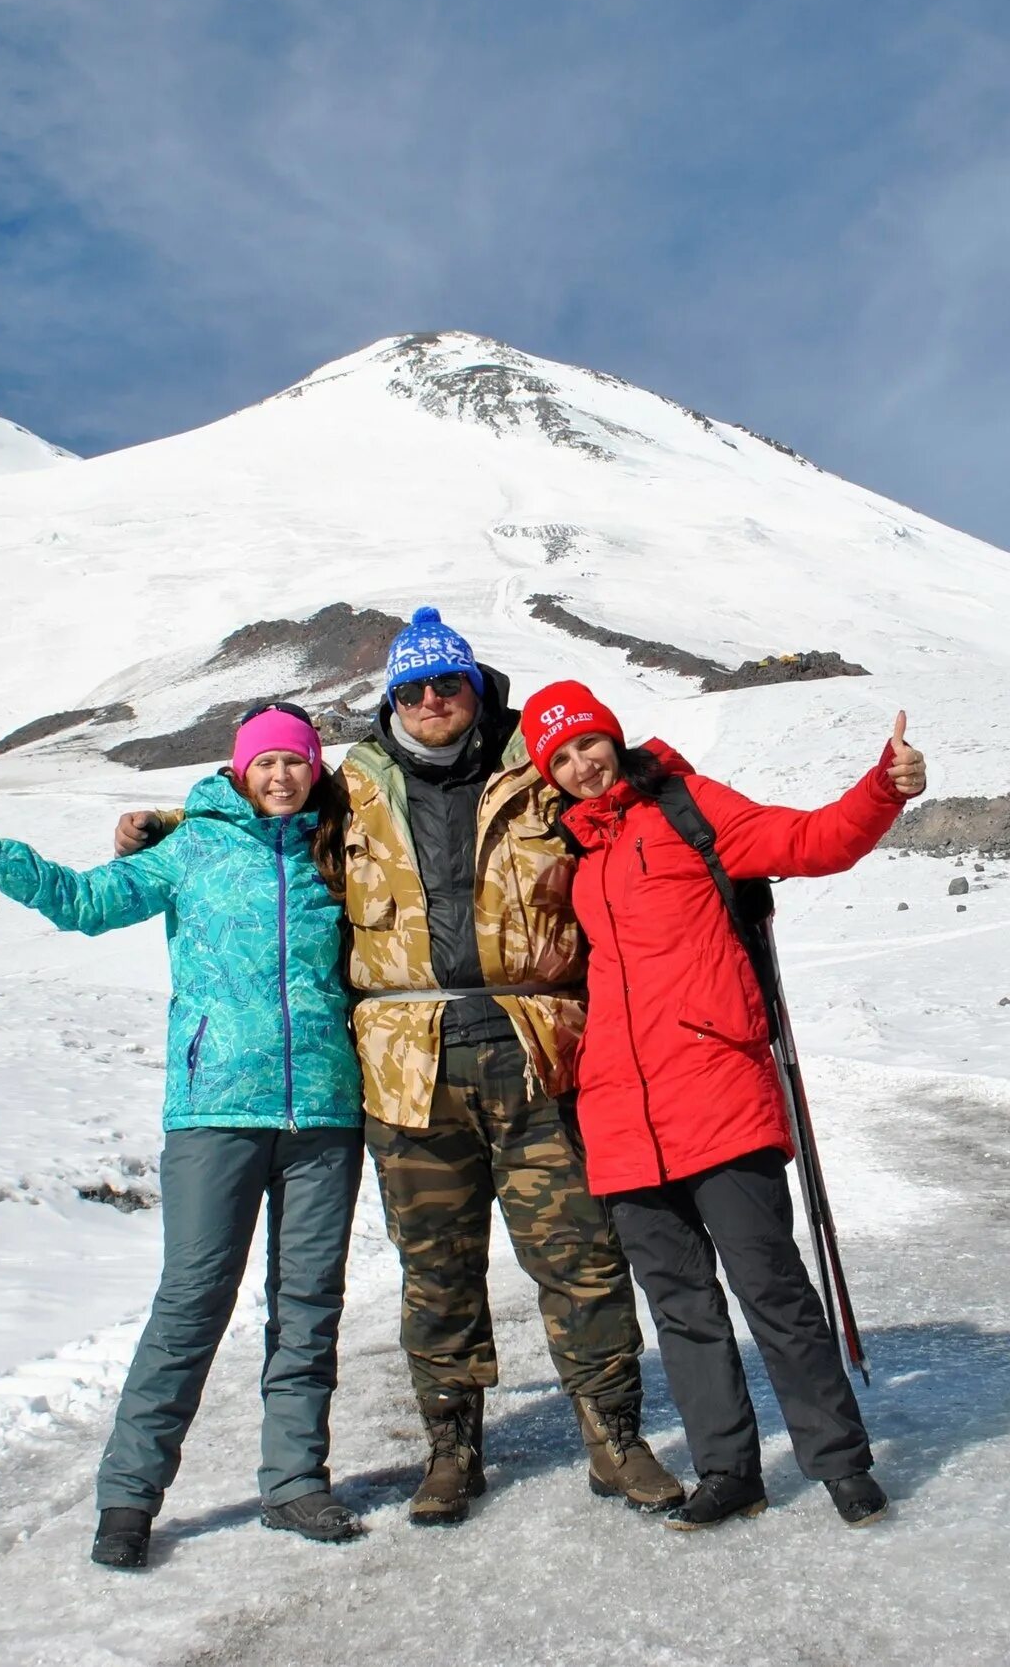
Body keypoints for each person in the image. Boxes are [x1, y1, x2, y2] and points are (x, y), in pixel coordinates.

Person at [118, 608, 681, 1525]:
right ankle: (452, 1448)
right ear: (393, 701)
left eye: (445, 685)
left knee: (580, 1255)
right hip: (410, 1068)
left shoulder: (536, 772)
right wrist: (164, 822)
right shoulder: (353, 790)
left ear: (474, 687)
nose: (430, 702)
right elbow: (263, 804)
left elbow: (621, 792)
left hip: (534, 1052)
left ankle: (615, 1438)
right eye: (412, 690)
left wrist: (693, 819)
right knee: (437, 1270)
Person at [0, 703, 366, 1571]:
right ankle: (128, 1497)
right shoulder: (193, 849)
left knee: (309, 1306)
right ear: (240, 772)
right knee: (193, 1300)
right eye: (265, 763)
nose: (281, 776)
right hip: (214, 1112)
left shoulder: (342, 849)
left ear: (317, 769)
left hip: (325, 1111)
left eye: (296, 762)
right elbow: (88, 904)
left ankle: (295, 1482)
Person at [519, 680, 927, 1532]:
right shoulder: (573, 856)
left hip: (717, 1092)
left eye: (588, 743)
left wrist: (882, 788)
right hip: (623, 1117)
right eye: (560, 757)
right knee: (682, 1309)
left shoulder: (688, 807)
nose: (582, 765)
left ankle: (839, 1463)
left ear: (613, 736)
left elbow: (810, 840)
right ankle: (727, 1471)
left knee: (772, 1288)